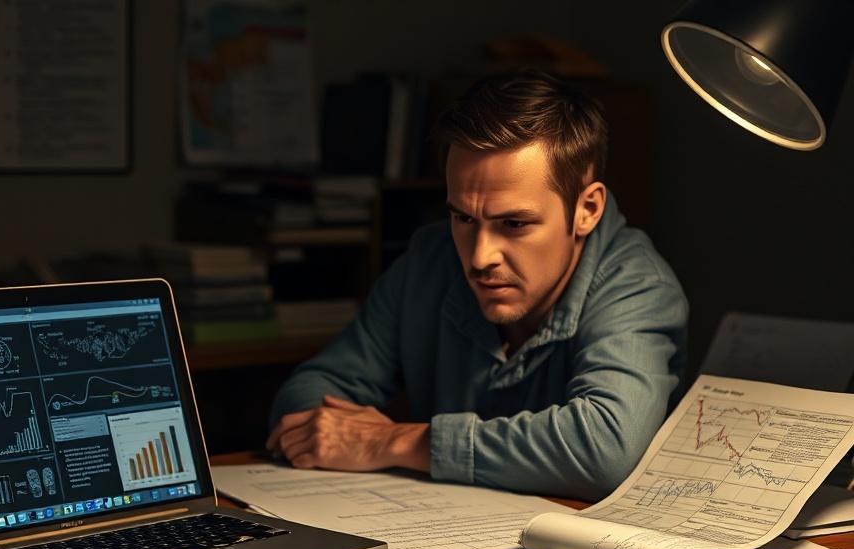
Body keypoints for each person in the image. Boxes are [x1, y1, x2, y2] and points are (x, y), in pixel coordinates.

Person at [266, 69, 687, 501]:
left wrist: (392, 442)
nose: (481, 255)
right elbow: (308, 396)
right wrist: (329, 429)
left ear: (587, 209)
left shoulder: (637, 286)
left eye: (514, 223)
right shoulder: (431, 259)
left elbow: (605, 450)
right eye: (464, 218)